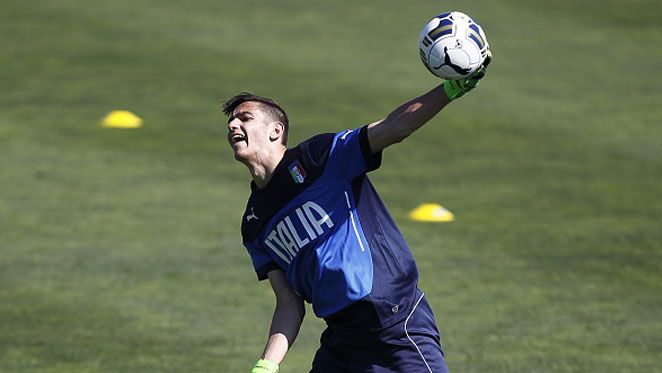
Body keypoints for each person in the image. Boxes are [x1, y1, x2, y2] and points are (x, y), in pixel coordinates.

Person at [224, 55, 491, 373]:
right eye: (231, 122)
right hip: (343, 342)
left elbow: (393, 127)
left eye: (245, 118)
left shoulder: (318, 158)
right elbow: (288, 302)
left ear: (275, 130)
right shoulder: (254, 223)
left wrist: (449, 89)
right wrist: (267, 363)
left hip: (395, 324)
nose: (233, 125)